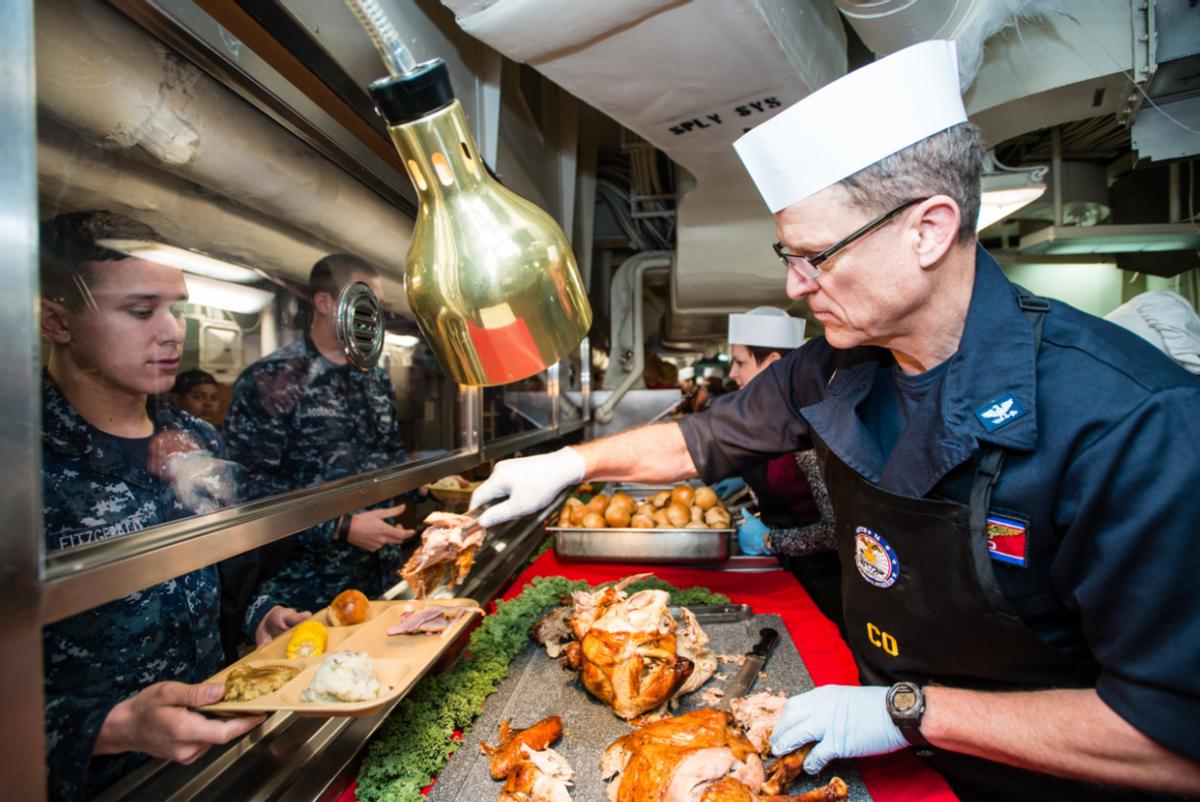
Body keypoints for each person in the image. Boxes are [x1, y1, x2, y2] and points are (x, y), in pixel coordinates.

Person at [469, 42, 1200, 801]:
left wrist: (908, 712)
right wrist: (570, 465)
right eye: (789, 254)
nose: (795, 285)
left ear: (928, 229)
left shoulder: (1130, 420)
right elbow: (704, 437)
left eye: (816, 255)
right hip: (888, 760)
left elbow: (1170, 738)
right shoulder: (834, 365)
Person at [38, 212, 306, 801]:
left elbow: (219, 575)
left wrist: (257, 614)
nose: (172, 332)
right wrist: (115, 727)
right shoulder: (21, 466)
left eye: (175, 308)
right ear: (57, 320)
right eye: (141, 311)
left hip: (214, 758)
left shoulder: (195, 439)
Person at [222, 254, 416, 652]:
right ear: (325, 303)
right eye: (364, 302)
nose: (374, 316)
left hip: (381, 578)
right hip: (309, 593)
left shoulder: (375, 379)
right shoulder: (271, 380)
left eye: (377, 305)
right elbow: (247, 492)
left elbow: (390, 457)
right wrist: (340, 527)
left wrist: (426, 484)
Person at [725, 307, 840, 626]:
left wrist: (769, 541)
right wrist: (741, 482)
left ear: (773, 363)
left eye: (740, 362)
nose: (732, 373)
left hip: (826, 585)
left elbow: (837, 531)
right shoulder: (771, 417)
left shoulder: (807, 427)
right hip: (790, 574)